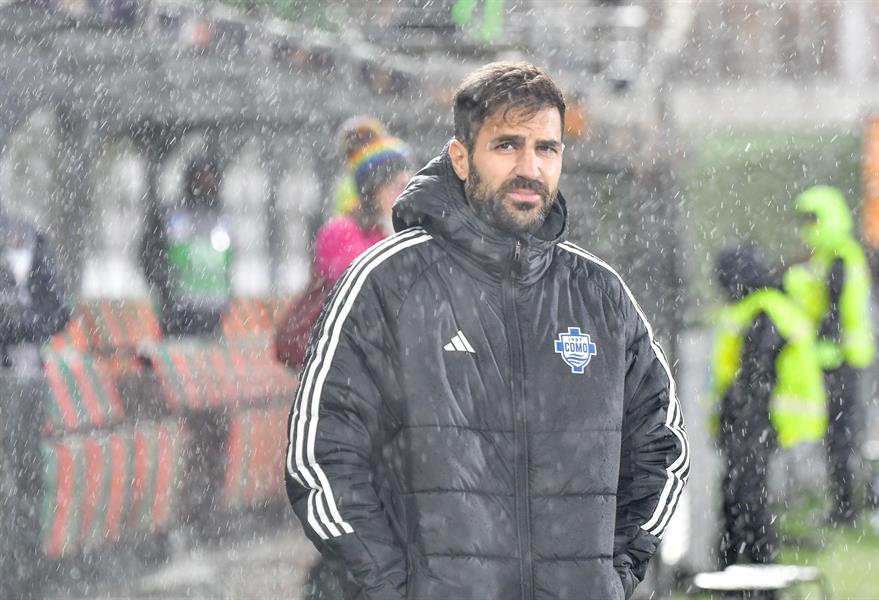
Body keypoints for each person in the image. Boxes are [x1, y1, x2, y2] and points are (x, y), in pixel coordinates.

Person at [285, 62, 688, 600]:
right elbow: (319, 455)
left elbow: (663, 449)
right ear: (460, 157)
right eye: (506, 146)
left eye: (546, 148)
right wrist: (396, 588)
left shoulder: (601, 297)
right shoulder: (387, 284)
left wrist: (608, 577)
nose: (530, 167)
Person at [711, 245, 826, 568]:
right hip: (758, 419)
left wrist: (736, 416)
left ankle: (758, 573)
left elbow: (756, 375)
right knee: (738, 494)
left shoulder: (763, 310)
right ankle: (735, 571)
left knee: (747, 497)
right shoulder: (767, 305)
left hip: (760, 419)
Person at [276, 136, 412, 370]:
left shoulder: (402, 229)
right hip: (343, 358)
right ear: (374, 190)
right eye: (398, 186)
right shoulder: (341, 231)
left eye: (411, 185)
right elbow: (363, 284)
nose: (406, 193)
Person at [783, 186, 875, 525]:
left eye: (811, 220)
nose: (806, 228)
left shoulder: (839, 257)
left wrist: (826, 347)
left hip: (841, 359)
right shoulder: (834, 254)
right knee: (843, 436)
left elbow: (834, 311)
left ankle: (845, 508)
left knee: (842, 437)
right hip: (843, 356)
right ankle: (849, 504)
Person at [0, 204, 70, 599]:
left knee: (26, 481)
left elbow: (59, 309)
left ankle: (24, 571)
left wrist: (22, 325)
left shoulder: (28, 236)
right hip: (20, 381)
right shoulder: (28, 235)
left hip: (25, 384)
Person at [140, 157, 233, 336]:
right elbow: (150, 256)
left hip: (214, 313)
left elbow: (229, 264)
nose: (206, 185)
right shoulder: (174, 217)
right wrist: (166, 292)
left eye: (210, 179)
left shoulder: (222, 221)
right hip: (179, 314)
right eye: (201, 179)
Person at [332, 116, 389, 217]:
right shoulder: (348, 183)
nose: (364, 148)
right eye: (357, 142)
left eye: (368, 139)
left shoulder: (388, 172)